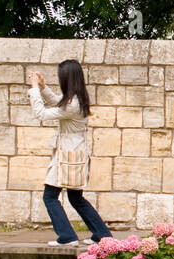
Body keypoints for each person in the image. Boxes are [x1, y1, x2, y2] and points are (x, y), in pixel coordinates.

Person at [29, 59, 112, 247]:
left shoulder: (72, 104)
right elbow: (58, 103)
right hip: (74, 154)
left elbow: (41, 113)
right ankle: (102, 235)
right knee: (75, 197)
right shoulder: (77, 98)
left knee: (49, 196)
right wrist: (42, 88)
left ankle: (67, 236)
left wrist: (34, 89)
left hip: (68, 156)